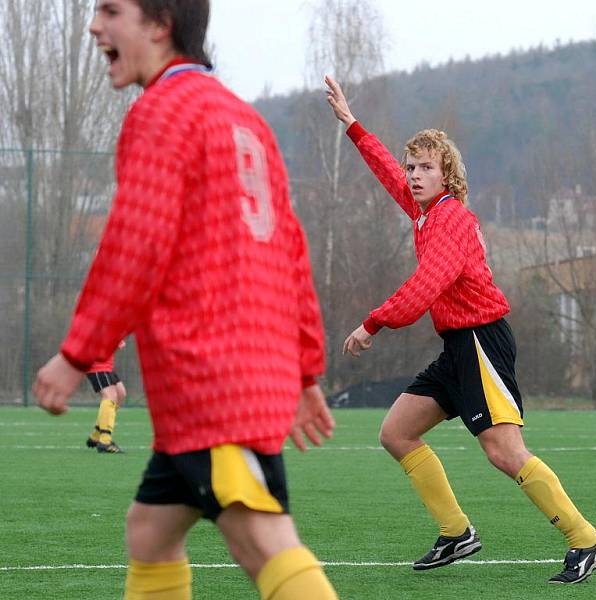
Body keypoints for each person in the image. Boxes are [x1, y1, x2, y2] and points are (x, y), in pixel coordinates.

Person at [33, 2, 339, 598]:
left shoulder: (162, 113)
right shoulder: (243, 118)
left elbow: (134, 246)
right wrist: (303, 372)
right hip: (236, 379)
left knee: (262, 539)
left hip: (213, 385)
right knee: (150, 531)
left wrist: (76, 356)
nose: (95, 25)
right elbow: (291, 253)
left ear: (160, 23)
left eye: (111, 9)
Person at [324, 75, 596, 585]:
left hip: (482, 343)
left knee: (504, 452)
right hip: (458, 346)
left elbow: (424, 287)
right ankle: (456, 532)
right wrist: (353, 125)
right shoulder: (424, 210)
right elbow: (388, 171)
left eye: (425, 167)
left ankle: (585, 539)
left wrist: (372, 323)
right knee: (396, 433)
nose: (413, 174)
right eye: (412, 166)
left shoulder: (450, 220)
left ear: (446, 174)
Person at [85, 341, 127, 454]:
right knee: (110, 396)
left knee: (121, 394)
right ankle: (105, 441)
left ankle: (96, 435)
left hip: (107, 366)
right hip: (97, 365)